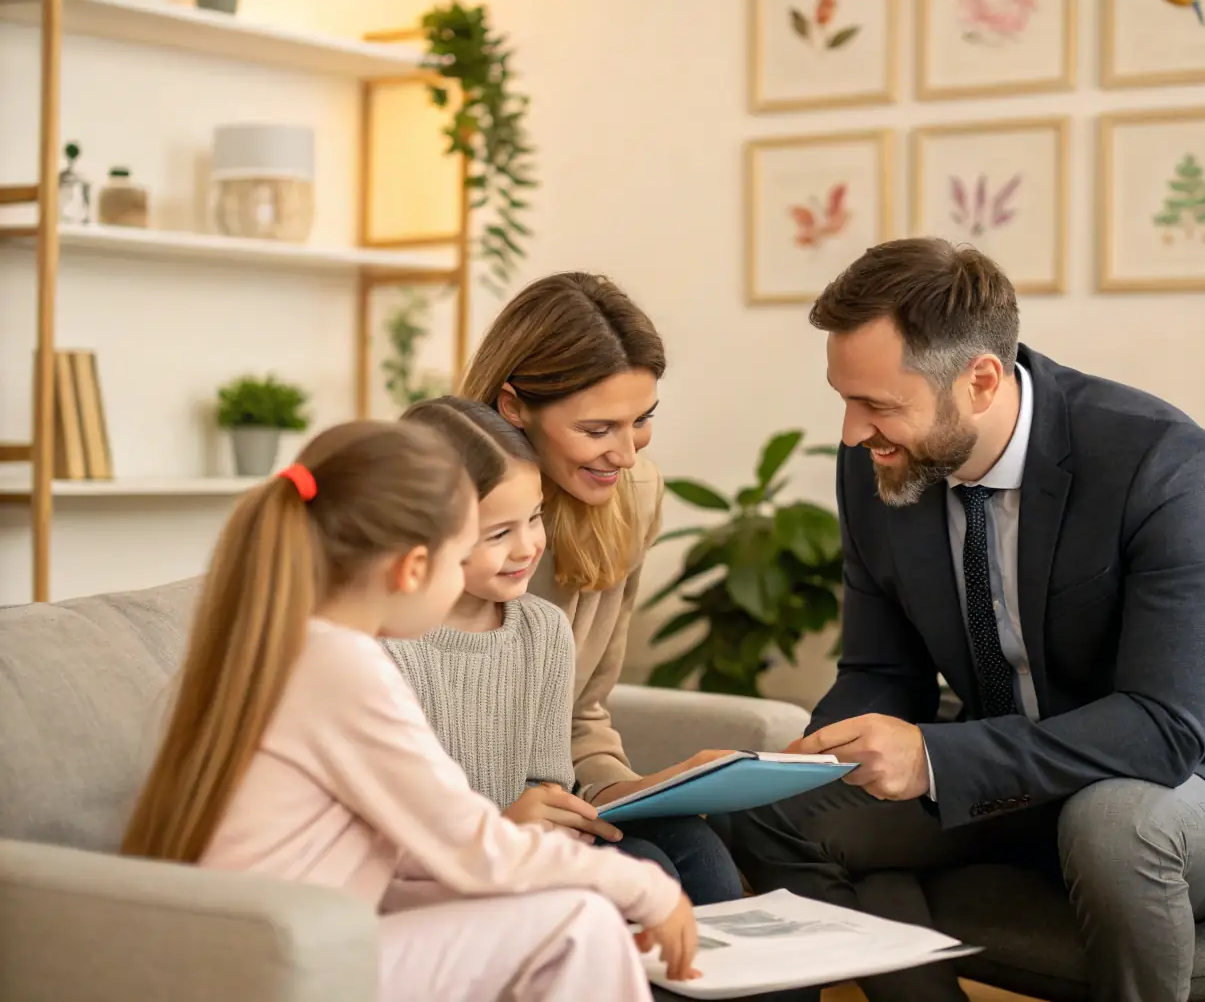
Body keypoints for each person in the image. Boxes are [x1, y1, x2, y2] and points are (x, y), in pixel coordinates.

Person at [728, 238, 1205, 1002]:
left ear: (980, 381)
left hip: (1184, 785)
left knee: (1110, 822)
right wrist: (806, 762)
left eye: (878, 405)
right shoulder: (878, 463)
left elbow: (1162, 727)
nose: (852, 432)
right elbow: (882, 672)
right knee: (771, 815)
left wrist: (933, 759)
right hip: (1011, 781)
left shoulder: (1156, 459)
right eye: (844, 399)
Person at [120, 419, 699, 1001]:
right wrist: (647, 889)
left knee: (566, 907)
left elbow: (413, 858)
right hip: (279, 970)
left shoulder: (289, 643)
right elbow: (472, 846)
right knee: (580, 922)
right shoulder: (342, 666)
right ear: (414, 569)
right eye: (459, 558)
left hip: (270, 951)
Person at [460, 271, 746, 907]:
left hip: (557, 799)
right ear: (513, 407)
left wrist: (639, 789)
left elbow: (582, 712)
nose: (626, 454)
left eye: (641, 420)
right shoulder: (429, 511)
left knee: (699, 852)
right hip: (465, 819)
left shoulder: (631, 495)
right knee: (649, 872)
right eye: (597, 430)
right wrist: (499, 820)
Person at [384, 396, 621, 844]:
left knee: (680, 852)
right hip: (448, 862)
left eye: (534, 517)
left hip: (528, 851)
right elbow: (397, 824)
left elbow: (548, 782)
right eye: (498, 533)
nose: (528, 547)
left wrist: (554, 821)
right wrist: (506, 828)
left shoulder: (545, 630)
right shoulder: (384, 647)